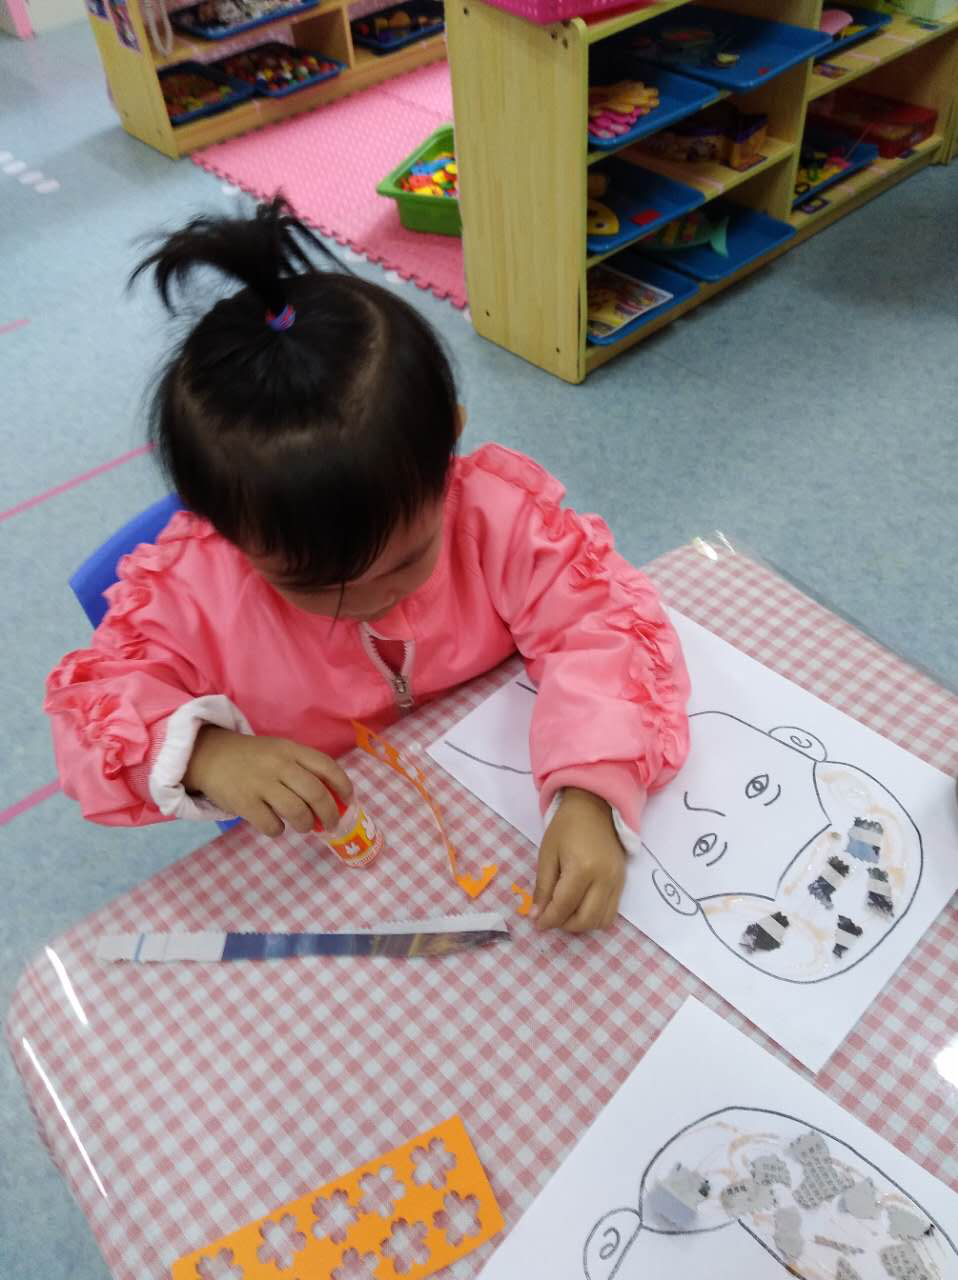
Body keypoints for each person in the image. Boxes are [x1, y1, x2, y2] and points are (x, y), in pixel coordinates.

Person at [44, 198, 691, 934]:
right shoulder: (192, 592)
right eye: (315, 585)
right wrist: (207, 755)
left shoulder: (497, 517)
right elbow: (89, 716)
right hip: (335, 864)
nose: (370, 601)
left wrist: (593, 790)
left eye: (409, 560)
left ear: (447, 447)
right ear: (220, 529)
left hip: (491, 808)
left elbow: (604, 626)